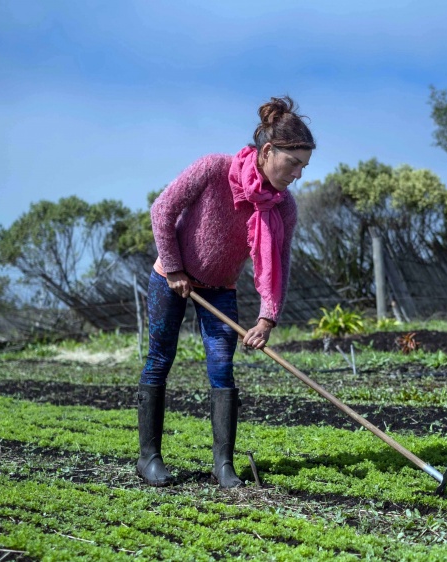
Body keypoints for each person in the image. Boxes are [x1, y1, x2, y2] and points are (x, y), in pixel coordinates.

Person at [136, 96, 315, 488]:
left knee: (221, 368)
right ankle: (148, 457)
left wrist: (267, 318)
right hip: (170, 279)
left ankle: (223, 465)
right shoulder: (214, 168)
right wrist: (175, 267)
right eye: (293, 162)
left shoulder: (282, 207)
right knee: (160, 359)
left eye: (304, 165)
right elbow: (162, 210)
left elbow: (280, 264)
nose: (298, 174)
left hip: (219, 289)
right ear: (268, 151)